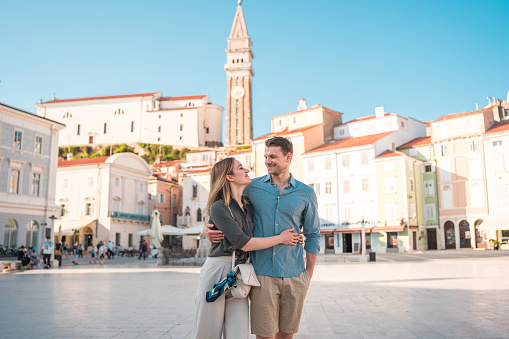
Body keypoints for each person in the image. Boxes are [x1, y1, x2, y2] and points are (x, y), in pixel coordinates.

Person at [204, 136, 320, 339]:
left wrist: (308, 275)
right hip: (261, 276)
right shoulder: (251, 187)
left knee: (286, 335)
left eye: (273, 156)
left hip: (294, 274)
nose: (267, 161)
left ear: (288, 157)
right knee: (265, 335)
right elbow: (224, 205)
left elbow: (312, 235)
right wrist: (205, 230)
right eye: (265, 156)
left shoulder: (306, 193)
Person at [193, 157, 300, 339]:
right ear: (229, 177)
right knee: (208, 333)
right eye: (241, 168)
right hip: (217, 271)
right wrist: (281, 239)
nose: (246, 170)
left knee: (239, 334)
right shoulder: (219, 207)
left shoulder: (248, 205)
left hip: (241, 273)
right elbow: (244, 242)